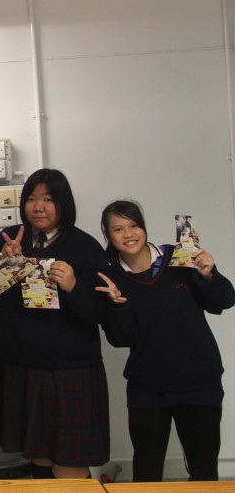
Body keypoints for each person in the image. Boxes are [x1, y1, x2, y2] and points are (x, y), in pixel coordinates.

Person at [95, 200, 234, 481]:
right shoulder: (110, 278)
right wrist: (116, 305)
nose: (128, 234)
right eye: (118, 229)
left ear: (143, 227)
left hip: (199, 382)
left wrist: (208, 274)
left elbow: (224, 300)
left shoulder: (181, 257)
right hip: (148, 388)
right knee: (147, 473)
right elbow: (120, 339)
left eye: (134, 225)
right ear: (108, 236)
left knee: (204, 471)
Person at [0, 168, 110, 479]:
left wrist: (73, 287)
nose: (38, 207)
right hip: (19, 364)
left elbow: (102, 313)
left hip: (69, 370)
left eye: (48, 199)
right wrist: (5, 263)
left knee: (69, 463)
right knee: (38, 457)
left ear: (63, 203)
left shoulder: (85, 246)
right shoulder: (10, 240)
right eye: (31, 198)